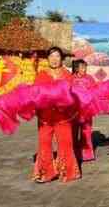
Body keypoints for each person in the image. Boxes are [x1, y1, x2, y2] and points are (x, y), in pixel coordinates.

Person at [33, 47, 81, 183]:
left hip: (63, 117)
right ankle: (47, 173)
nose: (54, 59)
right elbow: (35, 94)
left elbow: (73, 95)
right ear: (48, 58)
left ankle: (68, 172)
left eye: (57, 56)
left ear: (61, 59)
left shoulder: (67, 75)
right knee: (44, 143)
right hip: (45, 117)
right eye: (52, 56)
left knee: (65, 143)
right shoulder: (41, 75)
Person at [72, 59, 96, 162]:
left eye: (85, 67)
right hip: (74, 111)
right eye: (82, 67)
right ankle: (73, 153)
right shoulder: (71, 78)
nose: (84, 69)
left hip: (87, 110)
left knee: (86, 131)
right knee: (73, 132)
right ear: (76, 68)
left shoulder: (90, 78)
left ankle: (87, 154)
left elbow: (95, 91)